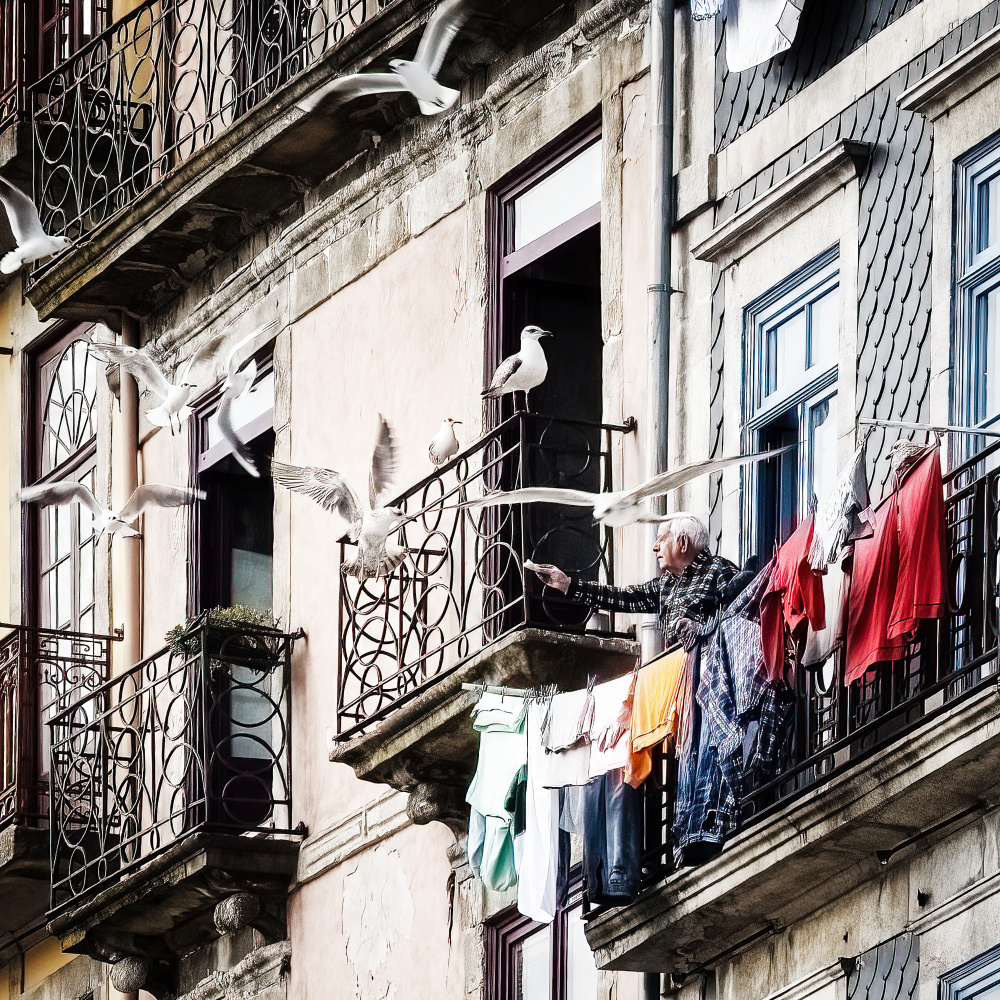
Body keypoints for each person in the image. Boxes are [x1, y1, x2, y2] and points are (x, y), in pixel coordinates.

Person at [529, 514, 748, 648]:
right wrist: (567, 585)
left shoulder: (719, 570)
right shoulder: (667, 584)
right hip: (682, 683)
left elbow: (740, 625)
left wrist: (700, 630)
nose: (655, 547)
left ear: (682, 542)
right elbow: (623, 597)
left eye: (661, 539)